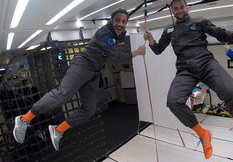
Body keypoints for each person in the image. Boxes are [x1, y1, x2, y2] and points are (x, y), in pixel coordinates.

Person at [13, 8, 146, 151]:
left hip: (94, 72)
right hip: (83, 65)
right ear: (111, 21)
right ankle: (24, 119)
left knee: (89, 109)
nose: (121, 24)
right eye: (118, 20)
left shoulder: (115, 34)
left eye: (124, 21)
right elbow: (117, 57)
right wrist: (137, 52)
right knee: (63, 95)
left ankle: (58, 129)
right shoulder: (105, 33)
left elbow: (117, 40)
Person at [143, 0, 233, 159]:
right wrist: (151, 41)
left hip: (206, 63)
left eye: (182, 7)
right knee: (173, 102)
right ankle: (203, 134)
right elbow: (158, 49)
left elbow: (220, 33)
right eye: (176, 9)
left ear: (186, 7)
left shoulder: (200, 21)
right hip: (185, 70)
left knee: (231, 91)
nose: (180, 10)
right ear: (172, 11)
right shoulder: (169, 30)